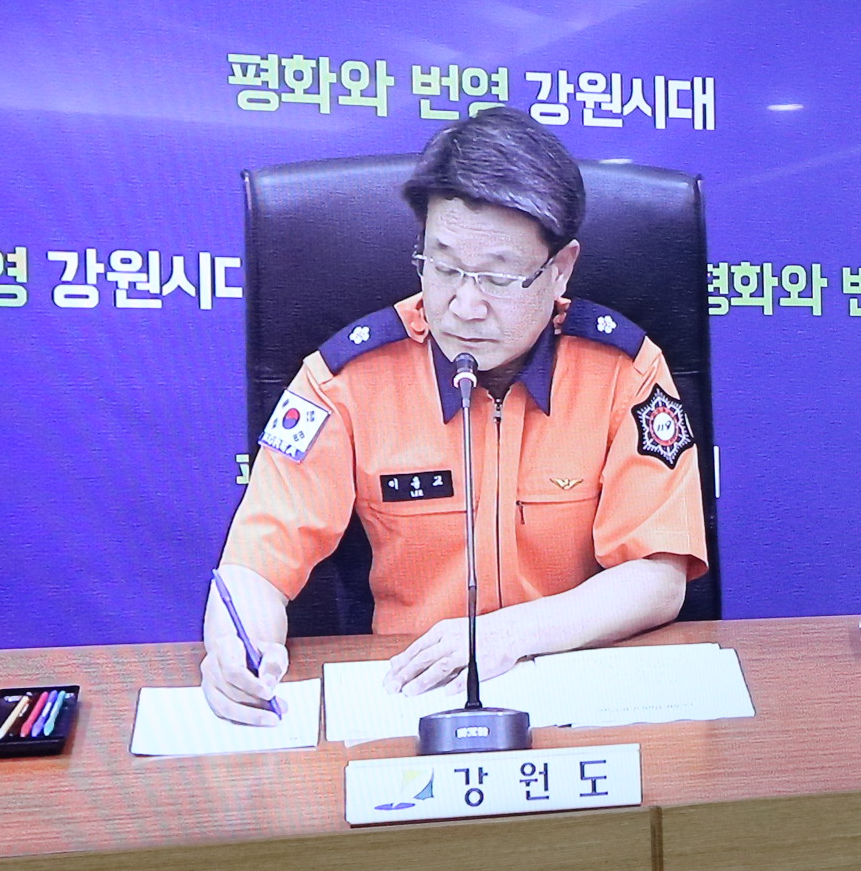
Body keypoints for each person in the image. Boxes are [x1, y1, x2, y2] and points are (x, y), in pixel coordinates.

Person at [202, 107, 707, 723]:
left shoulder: (623, 371)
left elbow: (658, 576)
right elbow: (255, 563)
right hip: (409, 699)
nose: (465, 306)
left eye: (498, 277)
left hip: (577, 689)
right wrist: (237, 647)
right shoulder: (344, 379)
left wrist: (511, 634)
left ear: (560, 270)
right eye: (443, 267)